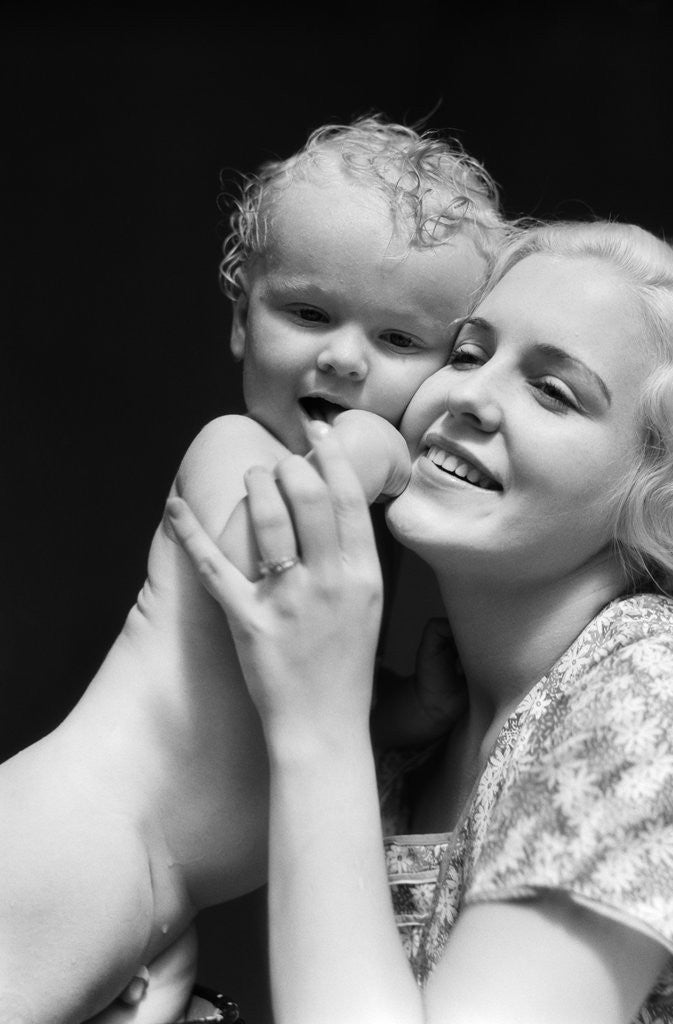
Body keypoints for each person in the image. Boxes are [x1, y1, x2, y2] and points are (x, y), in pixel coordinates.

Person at [169, 218, 673, 1023]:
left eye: (553, 390)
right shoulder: (418, 744)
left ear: (657, 492)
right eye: (468, 353)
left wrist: (316, 722)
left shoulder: (672, 695)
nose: (467, 395)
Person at [0, 116, 506, 1024]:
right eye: (307, 313)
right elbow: (251, 572)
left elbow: (292, 694)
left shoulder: (350, 531)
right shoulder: (232, 450)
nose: (343, 356)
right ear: (243, 321)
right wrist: (364, 453)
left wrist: (401, 710)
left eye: (398, 341)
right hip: (77, 838)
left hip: (157, 886)